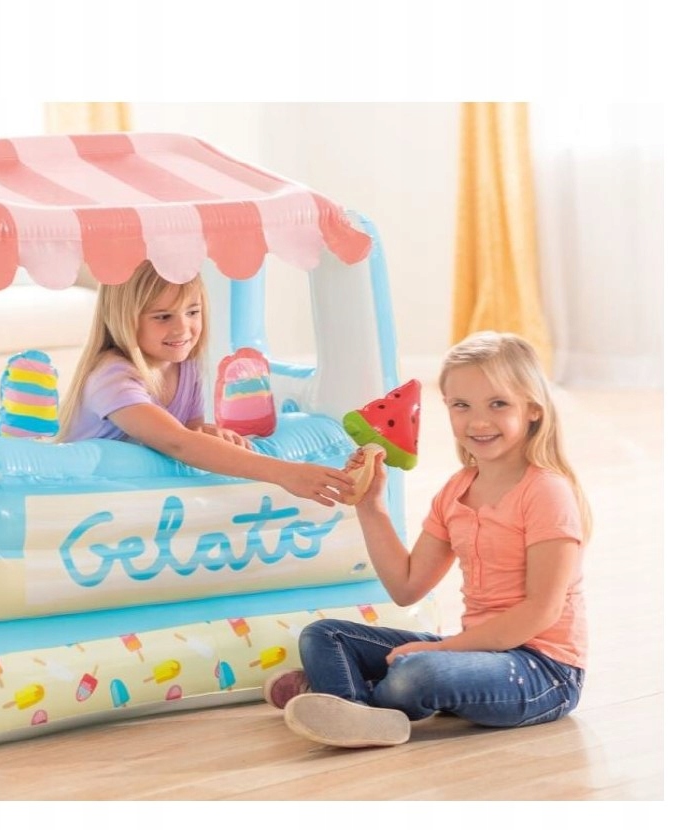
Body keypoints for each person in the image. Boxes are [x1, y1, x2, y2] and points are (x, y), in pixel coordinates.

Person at [263, 331, 592, 748]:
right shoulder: (456, 490)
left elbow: (541, 612)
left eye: (498, 404)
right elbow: (406, 587)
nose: (478, 422)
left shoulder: (547, 492)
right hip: (479, 651)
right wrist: (370, 504)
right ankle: (358, 712)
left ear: (532, 410)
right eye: (461, 405)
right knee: (324, 635)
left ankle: (342, 697)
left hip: (544, 670)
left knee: (417, 674)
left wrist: (443, 650)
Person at [56, 260, 355, 506]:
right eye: (163, 316)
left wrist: (208, 432)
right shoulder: (112, 377)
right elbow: (177, 442)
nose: (182, 328)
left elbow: (190, 430)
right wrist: (285, 473)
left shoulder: (184, 365)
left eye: (192, 312)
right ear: (123, 318)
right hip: (85, 499)